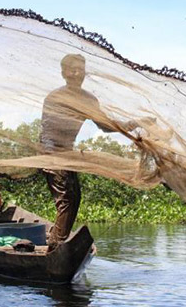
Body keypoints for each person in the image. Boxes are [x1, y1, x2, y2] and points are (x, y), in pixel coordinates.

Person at [40, 54, 136, 250]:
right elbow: (48, 132)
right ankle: (55, 247)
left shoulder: (88, 99)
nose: (78, 73)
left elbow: (105, 126)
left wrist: (134, 124)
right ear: (64, 73)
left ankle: (57, 240)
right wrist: (54, 159)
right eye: (73, 69)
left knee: (75, 197)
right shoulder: (55, 98)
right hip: (51, 153)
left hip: (67, 153)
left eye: (81, 70)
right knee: (66, 198)